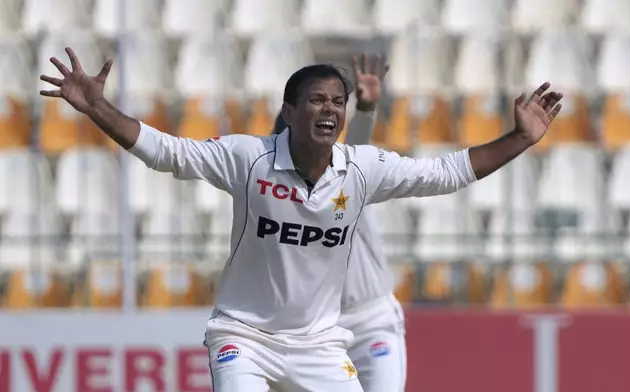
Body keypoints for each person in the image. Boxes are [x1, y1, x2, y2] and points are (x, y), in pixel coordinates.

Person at [40, 47, 562, 392]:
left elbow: (446, 172)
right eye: (316, 100)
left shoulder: (362, 168)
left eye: (338, 101)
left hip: (319, 344)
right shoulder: (249, 159)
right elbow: (167, 151)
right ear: (289, 113)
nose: (329, 109)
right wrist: (98, 109)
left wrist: (519, 138)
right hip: (244, 337)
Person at [272, 54, 406, 392]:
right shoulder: (270, 198)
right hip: (317, 335)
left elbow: (358, 142)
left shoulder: (349, 173)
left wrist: (366, 108)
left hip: (371, 322)